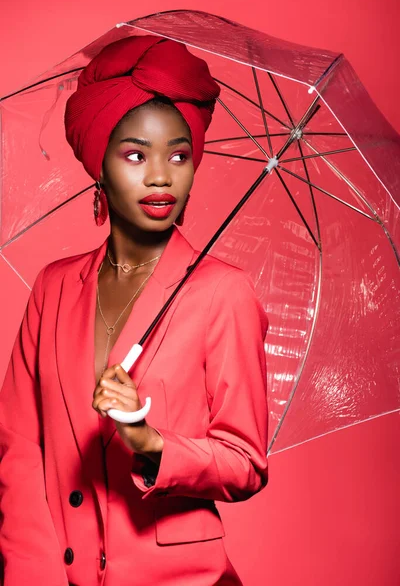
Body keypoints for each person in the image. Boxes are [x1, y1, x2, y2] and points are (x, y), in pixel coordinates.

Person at [0, 35, 269, 586]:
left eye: (179, 154)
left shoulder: (223, 293)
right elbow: (20, 449)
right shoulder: (53, 288)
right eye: (134, 154)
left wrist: (149, 441)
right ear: (99, 161)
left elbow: (245, 463)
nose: (160, 176)